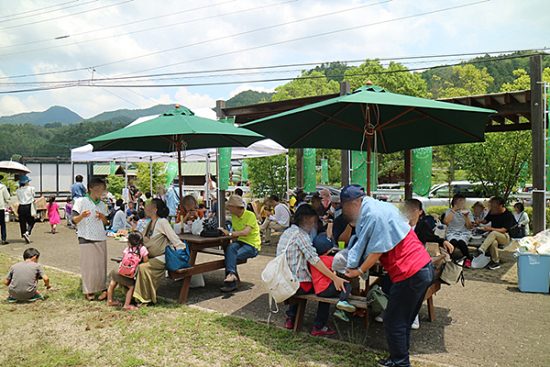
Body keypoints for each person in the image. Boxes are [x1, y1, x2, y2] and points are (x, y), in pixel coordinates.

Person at [341, 185, 433, 367]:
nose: (345, 210)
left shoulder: (373, 214)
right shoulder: (381, 208)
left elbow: (377, 249)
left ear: (354, 202)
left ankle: (400, 362)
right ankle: (399, 358)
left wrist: (358, 270)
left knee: (394, 320)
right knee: (402, 320)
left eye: (345, 206)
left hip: (410, 271)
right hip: (422, 266)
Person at [277, 204, 348, 336]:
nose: (315, 224)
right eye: (314, 221)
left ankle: (291, 318)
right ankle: (319, 326)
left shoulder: (287, 233)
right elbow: (315, 260)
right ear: (308, 220)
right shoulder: (301, 236)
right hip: (297, 284)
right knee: (324, 287)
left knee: (304, 280)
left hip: (283, 280)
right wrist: (335, 278)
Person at [134, 199, 185, 305]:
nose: (145, 208)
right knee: (132, 264)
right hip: (150, 256)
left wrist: (180, 255)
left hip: (162, 257)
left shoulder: (162, 222)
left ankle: (145, 298)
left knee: (143, 267)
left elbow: (175, 240)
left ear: (155, 210)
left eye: (148, 206)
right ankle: (134, 295)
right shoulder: (149, 223)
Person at [72, 177, 110, 301]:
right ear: (90, 189)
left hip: (100, 236)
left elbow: (106, 223)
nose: (101, 192)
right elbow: (74, 220)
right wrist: (82, 216)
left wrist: (103, 217)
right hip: (86, 236)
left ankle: (102, 288)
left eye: (103, 189)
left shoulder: (102, 204)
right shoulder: (81, 201)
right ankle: (89, 290)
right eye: (99, 189)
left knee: (100, 265)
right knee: (88, 266)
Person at [218, 195, 261, 293]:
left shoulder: (250, 215)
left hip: (252, 245)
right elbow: (236, 235)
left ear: (236, 207)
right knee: (230, 248)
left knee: (230, 256)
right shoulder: (234, 216)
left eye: (229, 206)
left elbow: (245, 232)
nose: (228, 209)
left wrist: (228, 233)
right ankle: (232, 276)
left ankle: (231, 282)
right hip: (240, 242)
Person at [310, 238, 356, 322]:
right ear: (329, 250)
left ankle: (341, 309)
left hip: (317, 290)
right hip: (325, 289)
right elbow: (341, 265)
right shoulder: (329, 259)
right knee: (347, 285)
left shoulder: (314, 260)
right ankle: (342, 303)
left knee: (341, 290)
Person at [107, 231, 149, 311]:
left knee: (113, 282)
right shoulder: (142, 249)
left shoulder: (128, 248)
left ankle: (110, 301)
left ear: (129, 243)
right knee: (131, 287)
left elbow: (123, 258)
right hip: (128, 274)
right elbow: (146, 260)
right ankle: (126, 305)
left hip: (118, 270)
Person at [475, 197, 516, 270]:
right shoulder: (492, 212)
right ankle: (496, 262)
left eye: (494, 207)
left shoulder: (508, 215)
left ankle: (482, 249)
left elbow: (504, 230)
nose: (492, 208)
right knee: (494, 242)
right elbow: (486, 221)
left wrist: (490, 229)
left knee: (494, 232)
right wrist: (479, 221)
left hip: (505, 236)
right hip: (493, 236)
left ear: (501, 206)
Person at [443, 194, 474, 263]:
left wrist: (466, 217)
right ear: (455, 202)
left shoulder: (467, 211)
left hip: (464, 232)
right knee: (453, 242)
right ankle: (450, 260)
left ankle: (468, 259)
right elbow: (446, 222)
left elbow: (470, 227)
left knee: (461, 242)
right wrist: (454, 209)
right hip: (451, 232)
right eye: (460, 202)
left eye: (463, 202)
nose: (463, 204)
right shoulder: (449, 211)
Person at [16, 175, 36, 244]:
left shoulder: (18, 190)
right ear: (26, 182)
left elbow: (18, 199)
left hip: (21, 207)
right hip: (29, 206)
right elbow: (33, 196)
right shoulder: (31, 188)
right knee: (32, 221)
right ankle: (27, 232)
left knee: (22, 222)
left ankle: (24, 233)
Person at [0, 175, 11, 245]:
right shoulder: (2, 187)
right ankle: (3, 239)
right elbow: (7, 197)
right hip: (0, 207)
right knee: (2, 224)